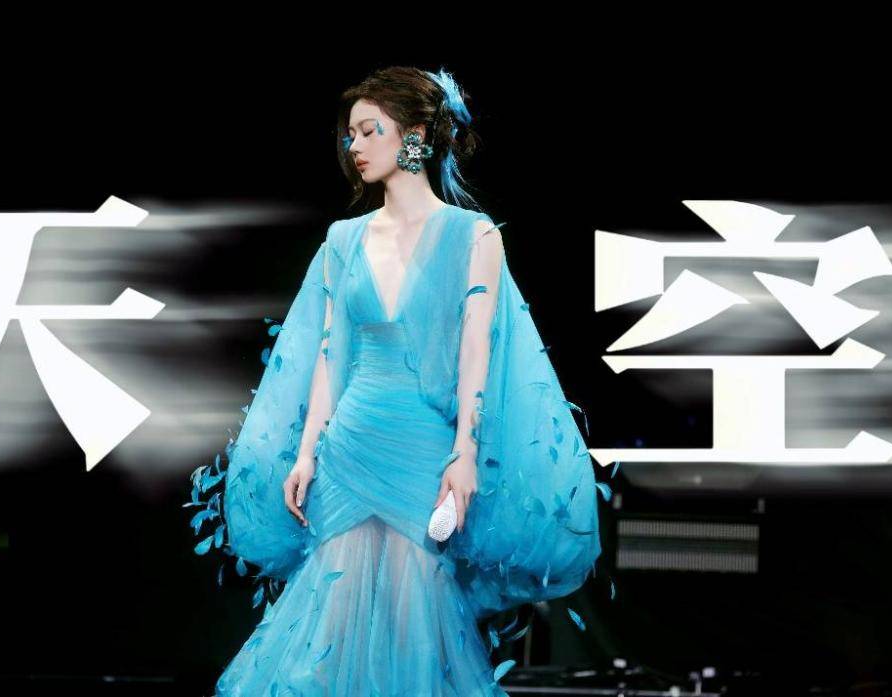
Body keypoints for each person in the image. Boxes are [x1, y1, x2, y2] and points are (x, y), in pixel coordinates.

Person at [191, 66, 602, 696]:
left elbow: (477, 350)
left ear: (414, 136)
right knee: (330, 619)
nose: (353, 145)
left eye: (368, 130)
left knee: (415, 621)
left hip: (422, 447)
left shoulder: (473, 235)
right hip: (350, 440)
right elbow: (331, 353)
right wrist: (306, 451)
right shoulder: (344, 239)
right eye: (350, 134)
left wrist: (464, 453)